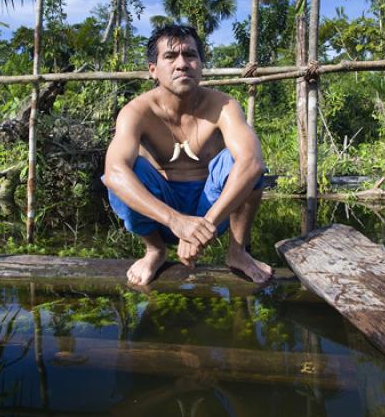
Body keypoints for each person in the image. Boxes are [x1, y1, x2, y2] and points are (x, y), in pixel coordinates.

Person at [103, 24, 273, 286]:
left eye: (190, 55)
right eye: (170, 57)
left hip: (212, 206)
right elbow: (114, 173)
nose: (182, 64)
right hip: (161, 211)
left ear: (201, 65)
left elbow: (252, 163)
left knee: (243, 164)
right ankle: (155, 250)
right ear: (153, 70)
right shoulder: (137, 111)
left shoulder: (224, 105)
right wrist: (176, 221)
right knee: (124, 173)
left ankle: (237, 251)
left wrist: (202, 225)